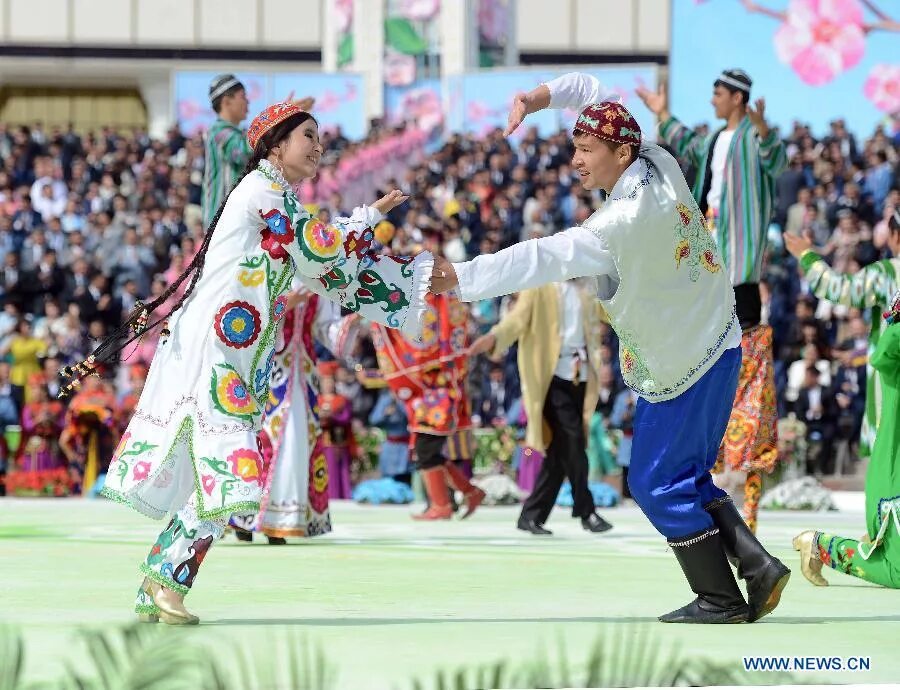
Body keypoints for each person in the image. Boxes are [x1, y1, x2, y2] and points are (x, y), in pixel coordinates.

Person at [430, 72, 790, 623]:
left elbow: (540, 257)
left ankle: (720, 598)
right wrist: (536, 98)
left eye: (586, 149)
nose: (576, 160)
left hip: (682, 367)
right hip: (719, 343)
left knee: (652, 482)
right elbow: (591, 90)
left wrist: (461, 275)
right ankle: (756, 566)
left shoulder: (617, 224)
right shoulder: (657, 160)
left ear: (620, 151)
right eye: (575, 146)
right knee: (688, 475)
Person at [61, 101, 432, 625]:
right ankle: (167, 583)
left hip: (235, 358)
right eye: (308, 136)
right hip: (214, 357)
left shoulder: (276, 196)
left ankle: (159, 583)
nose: (319, 146)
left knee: (214, 478)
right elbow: (319, 250)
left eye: (319, 136)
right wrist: (368, 220)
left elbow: (315, 267)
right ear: (275, 144)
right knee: (234, 475)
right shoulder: (261, 193)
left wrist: (365, 232)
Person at [638, 69, 788, 535]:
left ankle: (737, 459)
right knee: (709, 353)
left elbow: (775, 159)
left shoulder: (750, 139)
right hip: (711, 266)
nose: (713, 99)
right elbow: (685, 141)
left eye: (718, 93)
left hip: (739, 265)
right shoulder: (716, 141)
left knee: (743, 361)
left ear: (739, 98)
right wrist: (661, 114)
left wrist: (763, 129)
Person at [469, 278, 613, 535]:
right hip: (550, 378)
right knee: (574, 439)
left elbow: (615, 313)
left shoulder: (588, 290)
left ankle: (531, 515)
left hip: (580, 376)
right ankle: (586, 510)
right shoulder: (540, 288)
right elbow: (516, 320)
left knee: (559, 452)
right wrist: (493, 337)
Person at [231, 287, 361, 543]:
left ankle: (281, 519)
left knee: (297, 444)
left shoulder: (315, 281)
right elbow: (247, 317)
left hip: (303, 375)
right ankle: (245, 516)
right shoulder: (269, 269)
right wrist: (284, 305)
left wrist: (353, 319)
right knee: (261, 442)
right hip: (267, 372)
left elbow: (327, 329)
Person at [794, 290, 900, 588]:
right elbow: (883, 353)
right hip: (895, 473)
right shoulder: (893, 355)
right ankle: (819, 545)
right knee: (898, 572)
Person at [784, 211, 900, 459]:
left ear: (895, 237)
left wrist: (807, 256)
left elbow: (838, 288)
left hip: (892, 383)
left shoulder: (888, 273)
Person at [367, 290, 486, 520]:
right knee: (426, 452)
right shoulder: (422, 301)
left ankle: (447, 502)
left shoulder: (443, 300)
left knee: (426, 451)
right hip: (427, 394)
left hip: (440, 391)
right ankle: (466, 494)